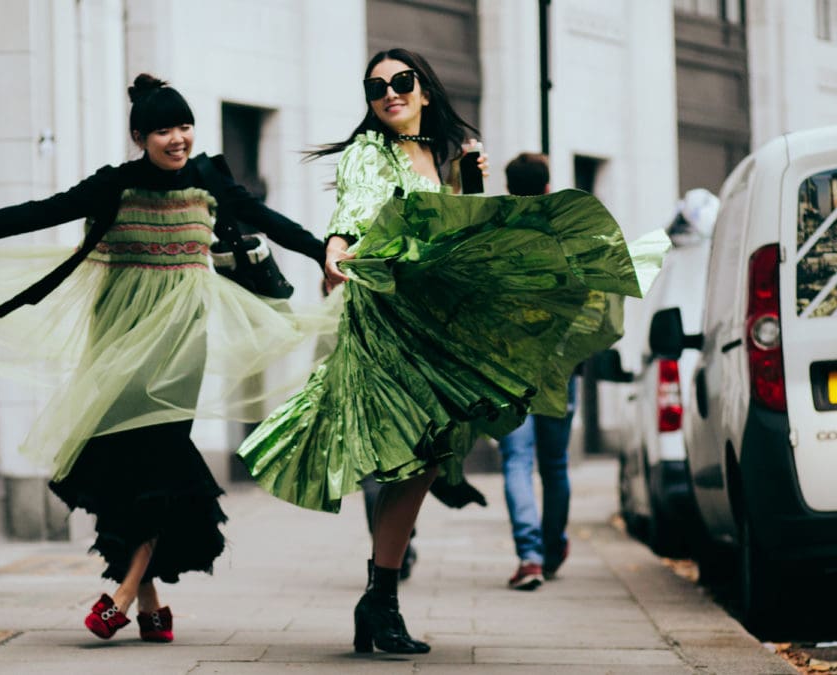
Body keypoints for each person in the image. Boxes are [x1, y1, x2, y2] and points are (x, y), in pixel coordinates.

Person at [236, 48, 668, 656]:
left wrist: (469, 181)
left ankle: (378, 602)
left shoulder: (432, 156)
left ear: (425, 91)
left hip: (428, 318)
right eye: (376, 87)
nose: (390, 93)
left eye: (402, 82)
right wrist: (335, 245)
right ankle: (380, 603)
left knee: (427, 458)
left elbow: (451, 228)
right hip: (386, 319)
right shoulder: (370, 153)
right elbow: (355, 207)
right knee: (413, 459)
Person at [0, 74, 329, 643]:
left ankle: (121, 597)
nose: (178, 139)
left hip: (179, 347)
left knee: (162, 459)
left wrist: (326, 253)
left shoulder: (208, 180)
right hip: (117, 344)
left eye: (185, 126)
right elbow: (31, 214)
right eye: (164, 129)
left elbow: (274, 224)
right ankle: (150, 605)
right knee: (125, 467)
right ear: (140, 136)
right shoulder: (115, 186)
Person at [496, 151, 576, 591]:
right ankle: (549, 547)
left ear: (509, 189)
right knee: (555, 465)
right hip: (559, 365)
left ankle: (529, 556)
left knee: (517, 461)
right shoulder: (566, 235)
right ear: (547, 189)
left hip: (509, 366)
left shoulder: (497, 236)